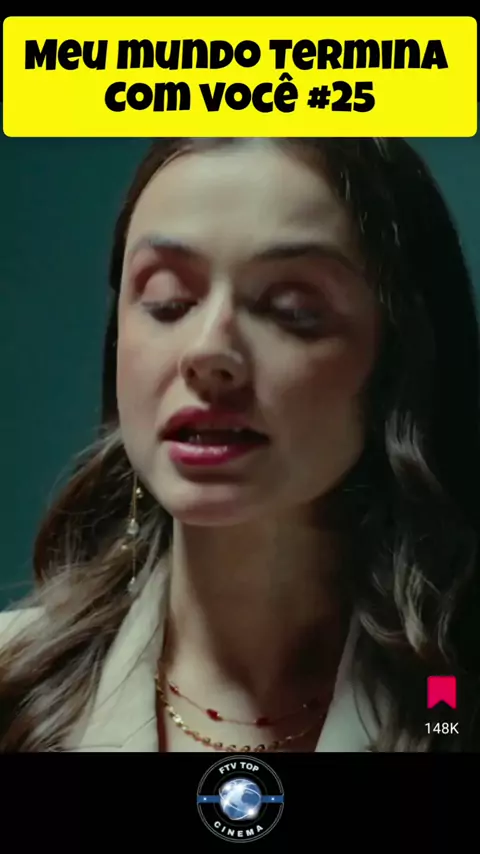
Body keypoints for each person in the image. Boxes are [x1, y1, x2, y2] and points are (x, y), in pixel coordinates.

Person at [0, 136, 479, 753]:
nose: (208, 351)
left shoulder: (450, 701)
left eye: (291, 309)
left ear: (399, 358)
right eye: (169, 301)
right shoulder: (13, 683)